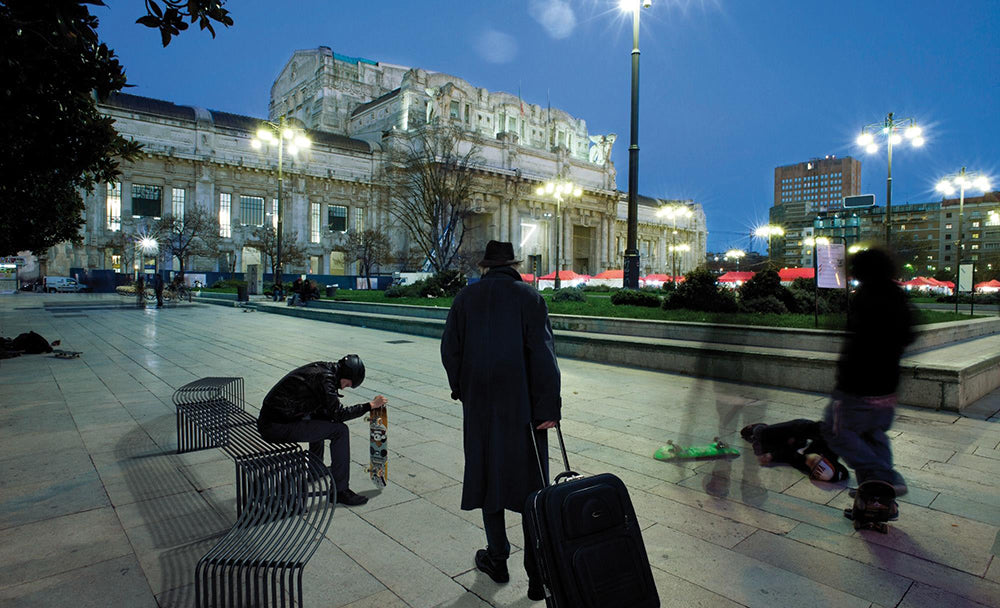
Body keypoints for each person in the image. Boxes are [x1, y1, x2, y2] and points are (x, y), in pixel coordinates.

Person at [440, 240, 561, 602]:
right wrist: (548, 409)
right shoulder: (529, 298)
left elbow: (450, 350)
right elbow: (543, 355)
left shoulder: (465, 298)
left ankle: (497, 556)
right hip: (523, 409)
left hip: (480, 407)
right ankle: (537, 575)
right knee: (530, 487)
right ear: (513, 264)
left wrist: (461, 388)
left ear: (486, 267)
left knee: (487, 476)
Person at [820, 246, 914, 496]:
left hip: (858, 387)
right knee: (873, 435)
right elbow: (908, 335)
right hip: (887, 388)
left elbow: (858, 342)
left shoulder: (867, 297)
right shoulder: (898, 295)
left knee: (835, 431)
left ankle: (883, 477)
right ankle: (876, 493)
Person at [256, 354, 387, 506]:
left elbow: (326, 410)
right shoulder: (326, 378)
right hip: (275, 427)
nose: (345, 387)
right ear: (345, 375)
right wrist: (369, 406)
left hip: (273, 421)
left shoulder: (324, 370)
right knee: (340, 431)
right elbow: (339, 414)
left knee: (321, 420)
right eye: (348, 384)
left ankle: (315, 470)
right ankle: (340, 491)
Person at [740, 419, 849, 482]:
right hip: (803, 434)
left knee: (766, 437)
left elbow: (790, 456)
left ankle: (758, 434)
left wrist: (772, 456)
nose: (814, 461)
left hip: (795, 444)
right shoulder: (827, 448)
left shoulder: (801, 461)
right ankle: (759, 433)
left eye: (813, 464)